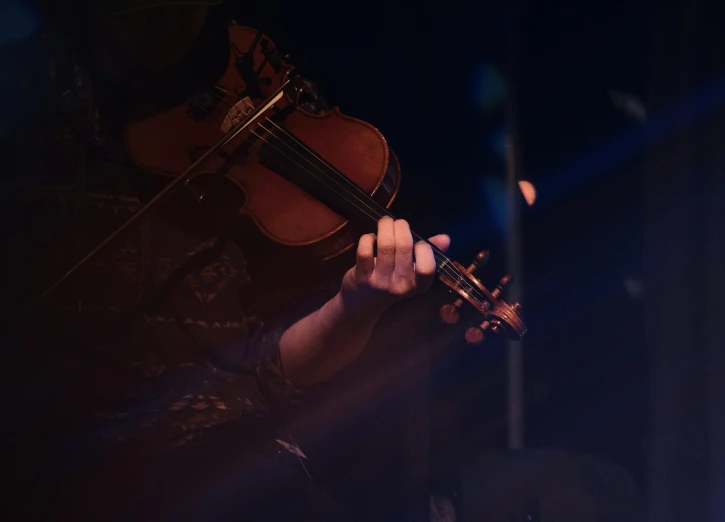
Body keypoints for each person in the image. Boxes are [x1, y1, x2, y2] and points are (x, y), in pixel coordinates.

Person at [0, 1, 450, 520]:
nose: (162, 22)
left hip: (221, 453)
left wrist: (356, 306)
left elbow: (274, 370)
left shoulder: (259, 82)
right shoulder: (24, 103)